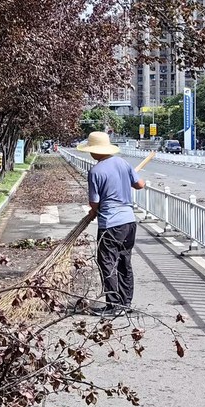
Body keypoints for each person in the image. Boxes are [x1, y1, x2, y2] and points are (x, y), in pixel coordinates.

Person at [78, 131, 146, 316]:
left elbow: (94, 202)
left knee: (107, 262)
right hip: (129, 222)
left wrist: (93, 211)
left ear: (94, 151)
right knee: (124, 262)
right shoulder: (123, 163)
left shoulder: (95, 171)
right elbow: (140, 185)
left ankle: (114, 305)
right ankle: (126, 303)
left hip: (110, 224)